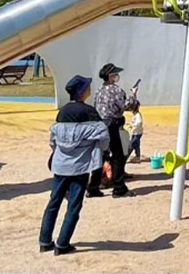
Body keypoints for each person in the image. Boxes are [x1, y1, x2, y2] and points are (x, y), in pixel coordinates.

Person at [40, 75, 110, 255]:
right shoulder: (90, 112)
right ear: (82, 91)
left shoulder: (62, 112)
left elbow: (53, 140)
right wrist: (99, 151)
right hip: (80, 166)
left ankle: (45, 241)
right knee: (74, 205)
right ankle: (62, 244)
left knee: (54, 202)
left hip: (60, 165)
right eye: (87, 86)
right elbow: (103, 135)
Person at [93, 63, 132, 197]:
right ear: (110, 76)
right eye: (115, 74)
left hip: (100, 125)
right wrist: (133, 96)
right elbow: (126, 105)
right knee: (118, 156)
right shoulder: (116, 90)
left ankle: (93, 186)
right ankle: (119, 188)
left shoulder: (99, 90)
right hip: (112, 125)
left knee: (101, 156)